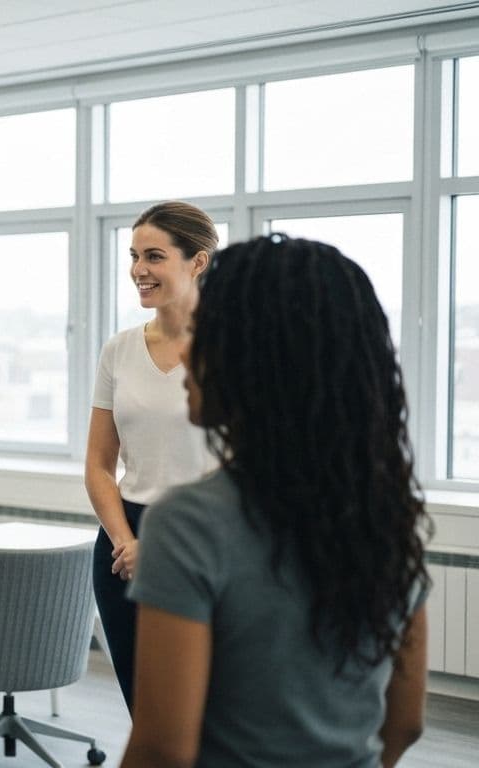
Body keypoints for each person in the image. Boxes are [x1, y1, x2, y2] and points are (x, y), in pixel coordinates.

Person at [121, 235, 430, 767]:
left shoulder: (189, 522)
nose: (187, 351)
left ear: (258, 358)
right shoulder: (389, 515)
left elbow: (161, 750)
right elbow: (404, 723)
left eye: (202, 331)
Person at [83, 200, 216, 712]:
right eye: (134, 255)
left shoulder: (236, 347)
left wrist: (162, 548)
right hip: (123, 548)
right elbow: (98, 463)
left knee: (205, 714)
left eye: (154, 256)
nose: (139, 270)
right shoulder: (118, 349)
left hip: (204, 542)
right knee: (150, 713)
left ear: (197, 262)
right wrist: (125, 540)